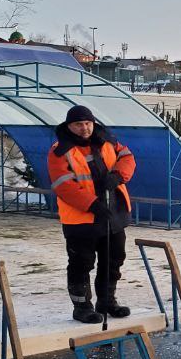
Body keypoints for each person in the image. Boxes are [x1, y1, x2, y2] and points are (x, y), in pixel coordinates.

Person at [47, 104, 135, 323]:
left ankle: (107, 301)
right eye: (79, 124)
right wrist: (91, 204)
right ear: (69, 126)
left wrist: (118, 175)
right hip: (81, 219)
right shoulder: (59, 151)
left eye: (88, 123)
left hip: (112, 213)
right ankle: (82, 307)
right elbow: (63, 185)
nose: (85, 128)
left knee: (113, 258)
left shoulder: (107, 140)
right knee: (81, 263)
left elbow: (127, 157)